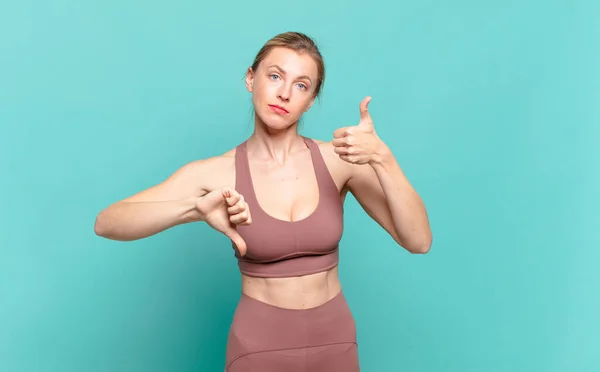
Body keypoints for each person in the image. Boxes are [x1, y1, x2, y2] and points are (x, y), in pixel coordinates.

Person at [94, 31, 432, 372]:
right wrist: (193, 209)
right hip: (259, 348)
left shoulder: (338, 161)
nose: (284, 93)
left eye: (301, 85)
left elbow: (418, 241)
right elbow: (107, 222)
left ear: (311, 100)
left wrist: (383, 159)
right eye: (275, 76)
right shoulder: (217, 172)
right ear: (250, 78)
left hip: (336, 343)